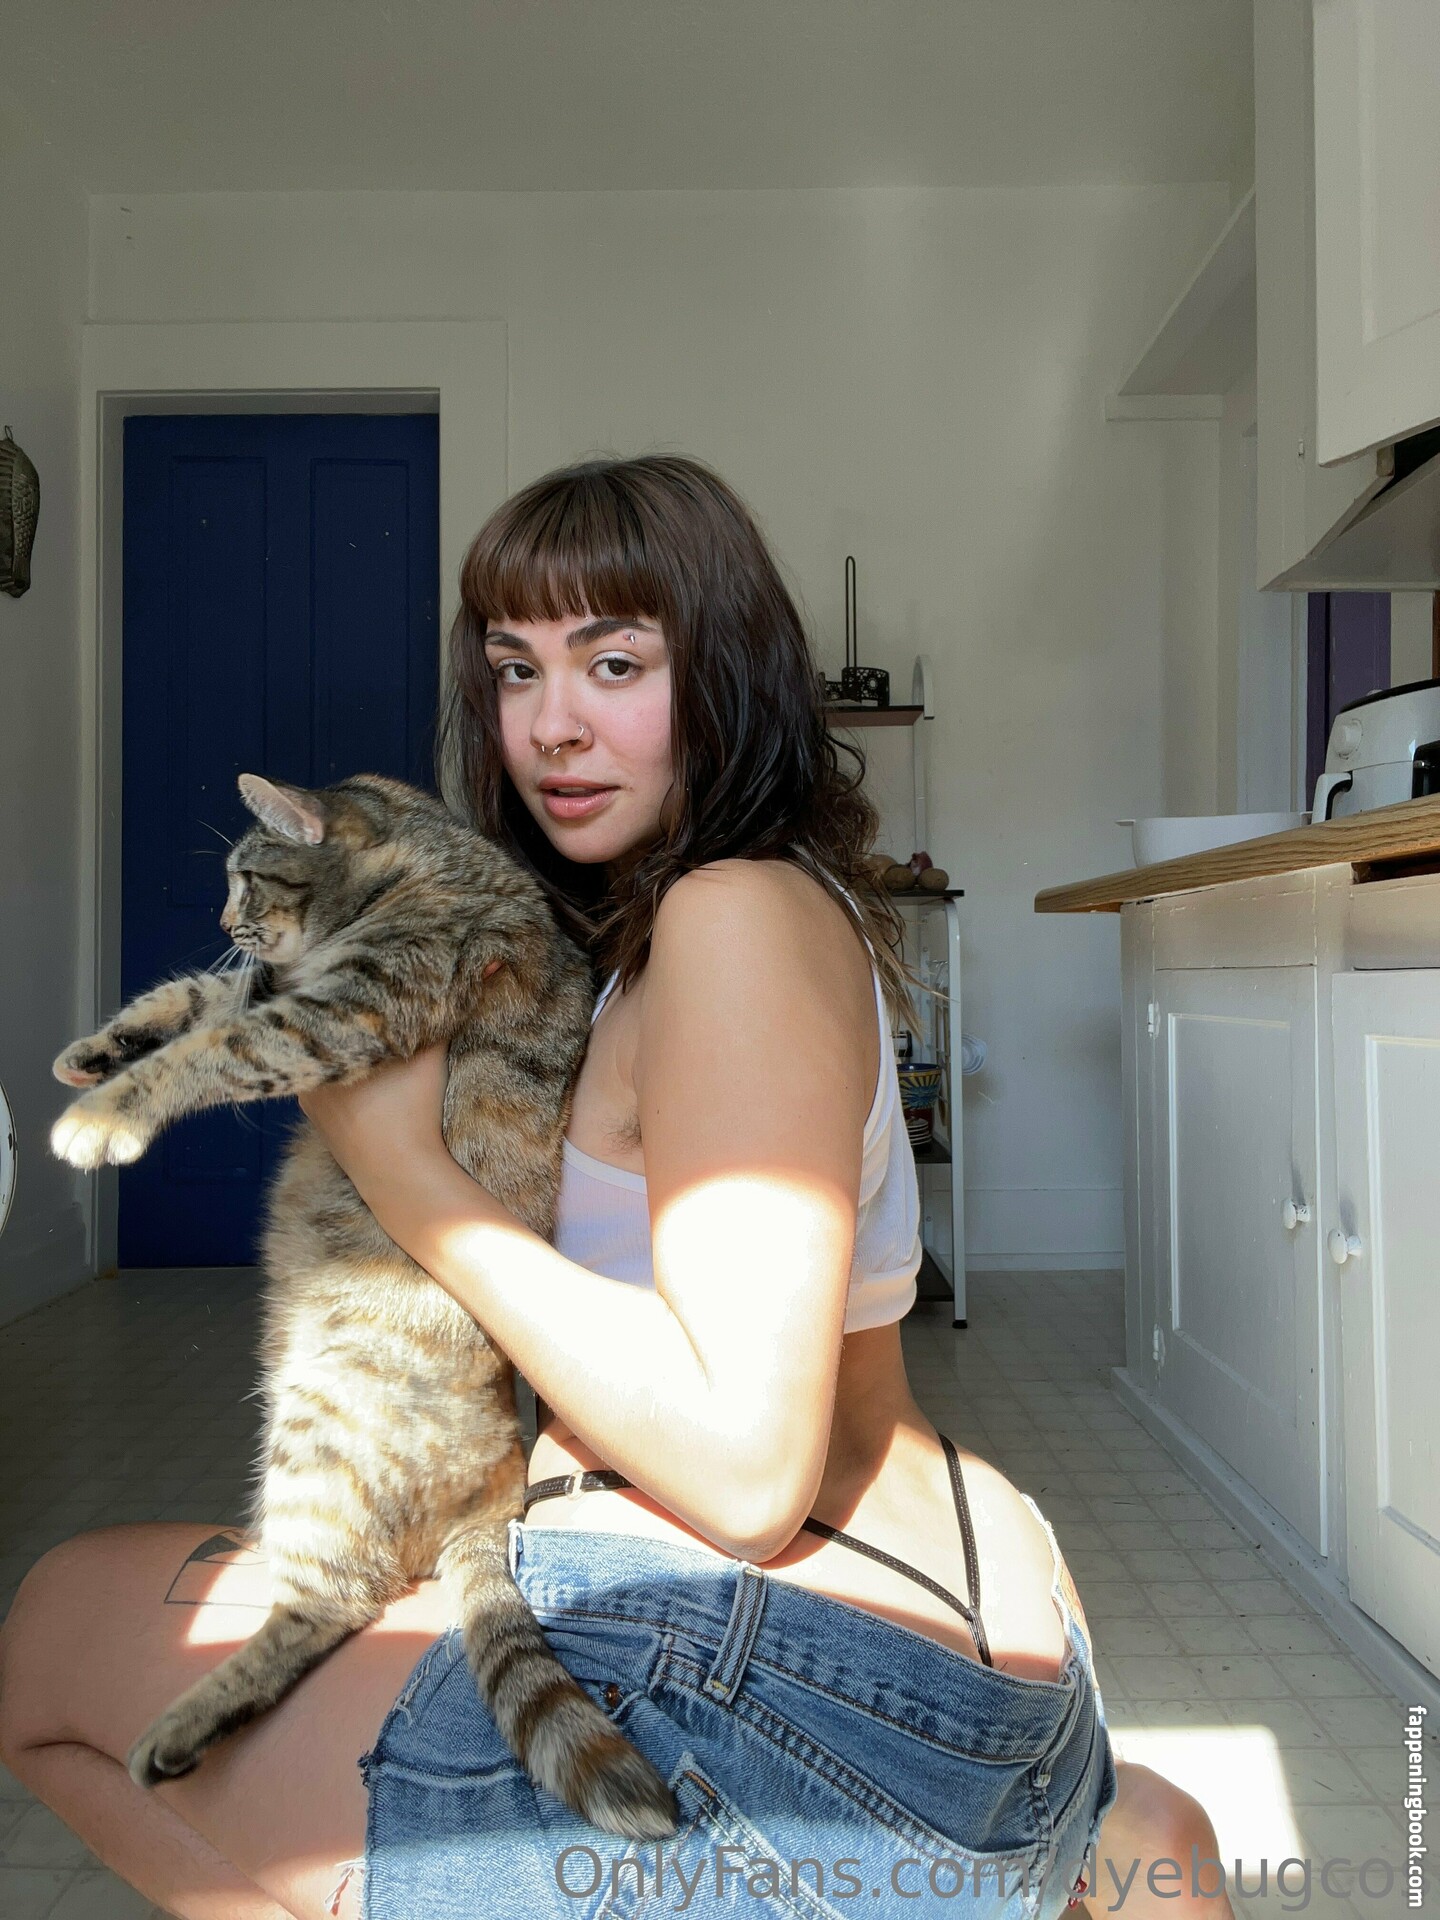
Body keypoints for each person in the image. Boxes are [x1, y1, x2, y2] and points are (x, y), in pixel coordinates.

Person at [0, 454, 1232, 1919]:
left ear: (726, 676)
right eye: (515, 670)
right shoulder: (726, 908)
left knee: (52, 1645)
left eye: (617, 663)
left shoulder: (727, 915)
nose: (551, 725)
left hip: (800, 1689)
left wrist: (405, 1170)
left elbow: (747, 1474)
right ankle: (1094, 1847)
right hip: (968, 1619)